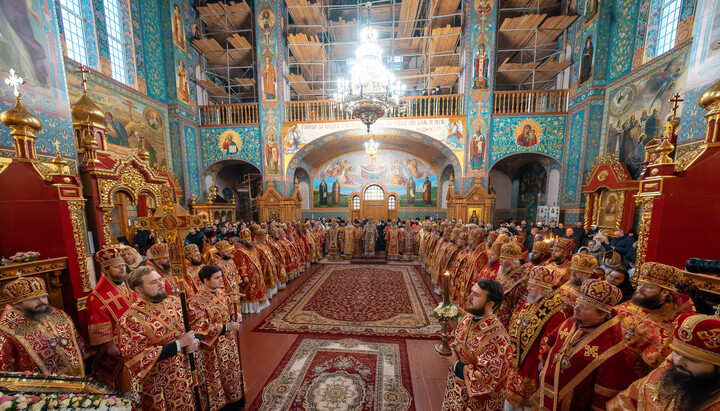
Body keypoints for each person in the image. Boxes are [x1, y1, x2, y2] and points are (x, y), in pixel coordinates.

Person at [539, 279, 636, 410]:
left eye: (583, 307)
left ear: (602, 315)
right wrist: (543, 364)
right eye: (576, 303)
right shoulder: (571, 322)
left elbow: (606, 392)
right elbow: (552, 340)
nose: (575, 308)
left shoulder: (613, 349)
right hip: (548, 393)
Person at [117, 266, 199, 410]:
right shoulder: (130, 319)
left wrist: (195, 340)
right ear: (139, 290)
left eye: (160, 279)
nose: (161, 284)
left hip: (188, 374)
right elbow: (136, 358)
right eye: (153, 282)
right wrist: (178, 344)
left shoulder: (175, 301)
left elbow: (196, 323)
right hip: (159, 386)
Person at [608, 313, 720, 410]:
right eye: (676, 353)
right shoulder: (661, 375)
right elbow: (623, 403)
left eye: (691, 360)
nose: (678, 363)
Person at [440, 279, 513, 410]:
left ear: (490, 304)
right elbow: (459, 340)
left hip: (476, 404)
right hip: (456, 391)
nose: (469, 297)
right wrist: (451, 348)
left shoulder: (497, 338)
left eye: (476, 295)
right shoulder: (469, 317)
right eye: (471, 292)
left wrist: (456, 364)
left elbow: (488, 383)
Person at [615, 262, 696, 378]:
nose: (640, 289)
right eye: (639, 284)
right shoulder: (625, 307)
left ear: (665, 292)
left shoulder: (675, 322)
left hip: (641, 376)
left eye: (648, 287)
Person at [505, 266, 566, 411]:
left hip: (533, 366)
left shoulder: (555, 312)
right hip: (516, 361)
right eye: (529, 285)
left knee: (527, 405)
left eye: (532, 286)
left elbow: (551, 341)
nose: (528, 288)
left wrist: (542, 364)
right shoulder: (530, 301)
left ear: (544, 290)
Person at [0, 277, 87, 376]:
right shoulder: (6, 329)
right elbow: (4, 369)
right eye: (34, 299)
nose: (42, 302)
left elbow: (77, 343)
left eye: (44, 297)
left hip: (78, 377)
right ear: (17, 304)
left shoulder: (57, 314)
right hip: (39, 384)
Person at [188, 266, 244, 410]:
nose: (221, 280)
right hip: (212, 349)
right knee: (217, 376)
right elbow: (200, 327)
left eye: (221, 276)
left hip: (228, 342)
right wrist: (225, 327)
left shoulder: (220, 292)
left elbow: (229, 308)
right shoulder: (196, 301)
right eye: (217, 278)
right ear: (206, 281)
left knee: (230, 370)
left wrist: (234, 315)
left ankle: (235, 399)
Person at [88, 245, 136, 391]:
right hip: (118, 345)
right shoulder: (97, 297)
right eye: (117, 267)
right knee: (126, 383)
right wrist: (109, 345)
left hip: (137, 338)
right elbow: (98, 322)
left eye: (123, 265)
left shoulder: (128, 286)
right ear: (105, 271)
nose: (122, 269)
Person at [489, 242, 532, 330]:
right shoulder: (504, 271)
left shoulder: (522, 278)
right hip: (494, 318)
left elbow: (518, 307)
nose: (500, 260)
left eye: (503, 258)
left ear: (512, 261)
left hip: (507, 324)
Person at [234, 228, 269, 313]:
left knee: (259, 289)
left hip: (256, 274)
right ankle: (251, 309)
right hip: (249, 276)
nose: (249, 242)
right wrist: (244, 276)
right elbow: (241, 264)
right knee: (250, 291)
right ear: (242, 241)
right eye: (247, 240)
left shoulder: (251, 248)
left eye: (250, 239)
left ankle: (259, 305)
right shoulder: (239, 251)